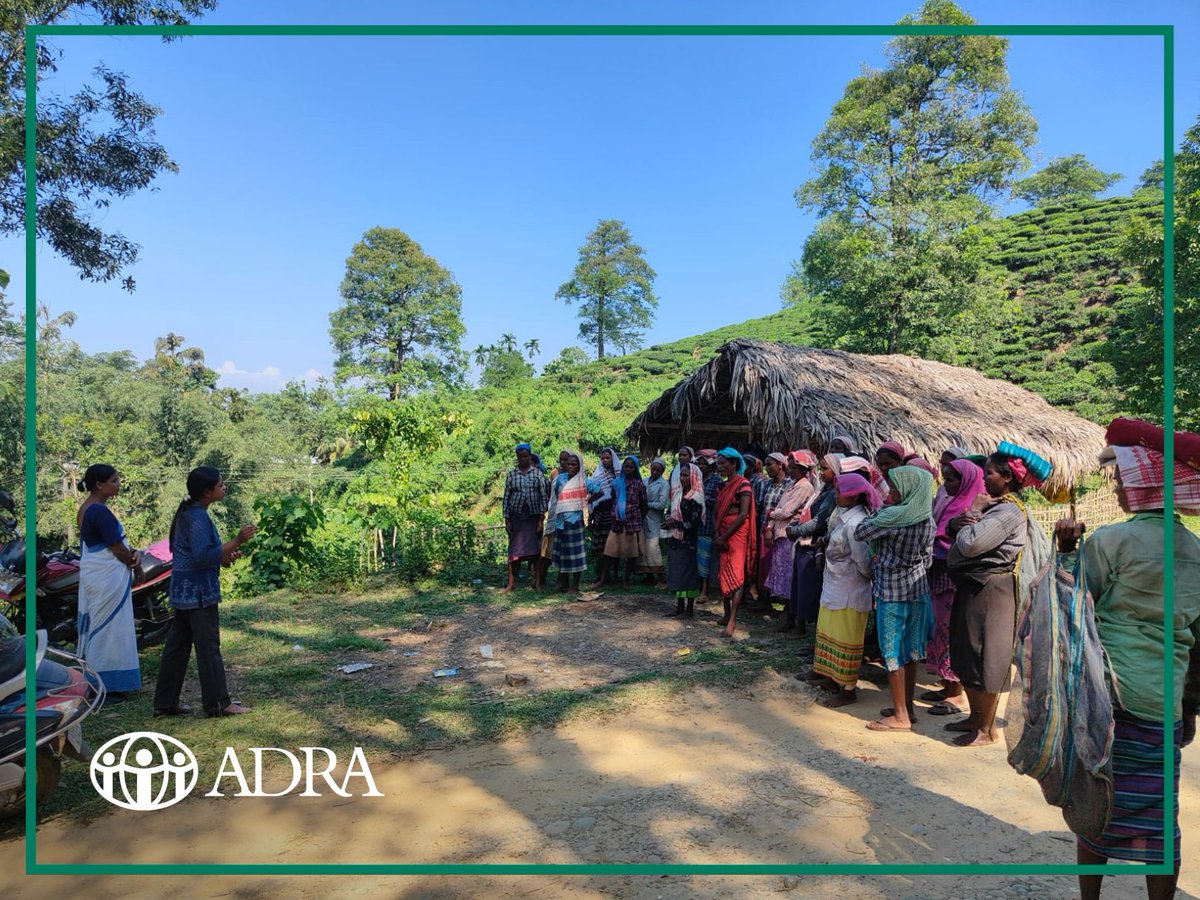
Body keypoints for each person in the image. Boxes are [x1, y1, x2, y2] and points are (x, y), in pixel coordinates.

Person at [1055, 422, 1200, 899]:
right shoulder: (1194, 550)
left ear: (1143, 484)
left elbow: (1075, 605)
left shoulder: (1111, 541)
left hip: (1110, 699)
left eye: (1120, 478)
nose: (1116, 486)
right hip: (1165, 701)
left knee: (1096, 805)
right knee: (1161, 816)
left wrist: (1066, 551)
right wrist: (1189, 708)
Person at [945, 451, 1041, 747]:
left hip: (992, 591)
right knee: (967, 650)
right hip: (975, 587)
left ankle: (986, 729)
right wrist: (961, 524)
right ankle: (975, 717)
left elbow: (971, 543)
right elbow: (951, 527)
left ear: (1008, 478)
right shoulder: (995, 507)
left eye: (990, 474)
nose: (985, 479)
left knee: (987, 654)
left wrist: (972, 512)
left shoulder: (1008, 512)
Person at [153, 466, 257, 718]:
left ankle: (165, 703)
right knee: (208, 648)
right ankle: (218, 703)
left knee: (177, 647)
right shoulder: (197, 517)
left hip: (183, 591)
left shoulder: (189, 513)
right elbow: (201, 558)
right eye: (221, 485)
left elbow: (197, 554)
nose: (224, 488)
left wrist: (225, 556)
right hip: (198, 593)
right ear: (207, 491)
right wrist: (237, 540)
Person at [854, 465, 936, 733]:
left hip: (891, 591)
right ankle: (907, 708)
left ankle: (899, 716)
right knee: (911, 652)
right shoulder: (927, 518)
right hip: (918, 590)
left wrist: (881, 512)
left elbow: (861, 532)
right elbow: (928, 558)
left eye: (895, 486)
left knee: (891, 653)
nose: (890, 490)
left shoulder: (891, 517)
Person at [808, 472, 881, 708]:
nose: (836, 495)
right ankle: (830, 678)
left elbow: (863, 562)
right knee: (831, 631)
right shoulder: (842, 516)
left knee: (847, 635)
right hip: (834, 583)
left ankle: (848, 689)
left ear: (853, 496)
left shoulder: (857, 523)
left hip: (850, 588)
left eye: (840, 492)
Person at [924, 456, 986, 716]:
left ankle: (958, 693)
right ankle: (947, 685)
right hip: (939, 574)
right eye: (945, 478)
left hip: (955, 579)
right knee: (941, 630)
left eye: (951, 479)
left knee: (953, 633)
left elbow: (964, 543)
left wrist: (943, 533)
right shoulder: (951, 503)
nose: (946, 484)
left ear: (967, 480)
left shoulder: (973, 507)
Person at [75, 464, 142, 703]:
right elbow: (115, 547)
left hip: (97, 575)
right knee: (108, 631)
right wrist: (133, 561)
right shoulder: (99, 512)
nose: (118, 484)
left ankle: (103, 682)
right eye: (114, 480)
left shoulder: (86, 508)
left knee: (103, 628)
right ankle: (102, 686)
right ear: (99, 485)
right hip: (106, 577)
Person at [782, 453, 840, 635]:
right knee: (801, 587)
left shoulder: (833, 493)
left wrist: (796, 530)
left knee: (811, 591)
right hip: (807, 542)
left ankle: (812, 631)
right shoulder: (823, 489)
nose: (821, 472)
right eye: (820, 468)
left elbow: (820, 521)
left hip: (816, 545)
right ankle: (801, 626)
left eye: (825, 469)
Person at [763, 451, 817, 614]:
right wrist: (771, 523)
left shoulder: (805, 486)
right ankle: (788, 613)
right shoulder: (793, 485)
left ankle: (790, 614)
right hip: (782, 533)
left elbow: (786, 511)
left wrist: (771, 514)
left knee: (789, 575)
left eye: (793, 468)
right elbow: (782, 509)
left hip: (790, 534)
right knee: (784, 574)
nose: (790, 471)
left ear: (802, 469)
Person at [713, 448, 756, 638]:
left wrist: (724, 535)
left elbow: (743, 514)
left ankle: (732, 621)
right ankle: (726, 614)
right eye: (719, 463)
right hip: (722, 530)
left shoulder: (743, 484)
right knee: (724, 572)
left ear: (734, 464)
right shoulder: (722, 486)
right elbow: (717, 512)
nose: (720, 466)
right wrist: (717, 532)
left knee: (736, 575)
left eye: (723, 463)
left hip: (737, 533)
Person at [502, 443, 551, 592]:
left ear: (530, 457)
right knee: (513, 552)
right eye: (520, 457)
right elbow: (506, 497)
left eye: (526, 456)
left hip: (533, 517)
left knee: (536, 551)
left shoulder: (537, 474)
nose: (523, 459)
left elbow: (543, 496)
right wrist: (507, 518)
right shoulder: (512, 475)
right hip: (516, 517)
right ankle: (511, 583)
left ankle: (537, 583)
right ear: (517, 458)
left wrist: (541, 519)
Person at [599, 455, 649, 589]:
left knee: (631, 554)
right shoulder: (616, 483)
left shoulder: (639, 484)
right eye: (626, 466)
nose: (628, 469)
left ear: (635, 469)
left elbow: (644, 503)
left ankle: (626, 580)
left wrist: (638, 516)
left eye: (631, 467)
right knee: (609, 551)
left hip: (632, 521)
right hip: (617, 521)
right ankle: (603, 579)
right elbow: (613, 499)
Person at [663, 462, 705, 618]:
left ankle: (690, 609)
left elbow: (694, 523)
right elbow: (668, 511)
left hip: (689, 541)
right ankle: (679, 606)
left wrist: (676, 523)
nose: (682, 478)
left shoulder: (697, 497)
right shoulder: (677, 494)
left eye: (686, 475)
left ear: (693, 476)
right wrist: (668, 519)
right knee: (677, 573)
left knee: (688, 574)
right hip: (675, 539)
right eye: (681, 474)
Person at [752, 452, 793, 610]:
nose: (767, 468)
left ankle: (780, 600)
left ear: (781, 465)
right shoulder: (766, 484)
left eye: (770, 464)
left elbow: (785, 510)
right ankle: (764, 599)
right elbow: (761, 506)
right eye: (766, 464)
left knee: (777, 565)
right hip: (765, 528)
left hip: (780, 531)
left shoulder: (789, 484)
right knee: (764, 563)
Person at [551, 450, 590, 594]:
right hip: (561, 521)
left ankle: (575, 585)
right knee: (563, 553)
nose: (571, 467)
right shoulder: (560, 479)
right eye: (569, 464)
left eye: (574, 464)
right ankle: (562, 583)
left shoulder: (584, 481)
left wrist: (584, 501)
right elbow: (557, 494)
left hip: (575, 521)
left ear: (579, 466)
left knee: (576, 555)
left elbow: (599, 491)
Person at [636, 458, 670, 588]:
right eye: (653, 469)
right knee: (643, 545)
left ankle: (661, 577)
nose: (655, 472)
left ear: (662, 471)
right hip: (643, 517)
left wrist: (645, 504)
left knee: (653, 547)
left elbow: (661, 504)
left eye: (658, 470)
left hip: (655, 519)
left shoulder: (664, 485)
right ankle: (648, 576)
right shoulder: (644, 481)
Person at [695, 449, 722, 603]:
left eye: (703, 463)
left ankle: (706, 590)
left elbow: (719, 503)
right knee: (699, 558)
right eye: (698, 463)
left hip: (710, 524)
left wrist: (703, 500)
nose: (700, 466)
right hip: (696, 524)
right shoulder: (695, 480)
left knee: (707, 558)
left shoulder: (717, 481)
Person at [588, 447, 619, 568]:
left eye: (608, 457)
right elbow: (592, 495)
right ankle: (602, 573)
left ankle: (615, 572)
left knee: (615, 542)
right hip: (600, 513)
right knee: (601, 545)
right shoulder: (597, 474)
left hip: (614, 513)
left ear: (612, 458)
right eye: (603, 458)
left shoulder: (619, 473)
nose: (605, 460)